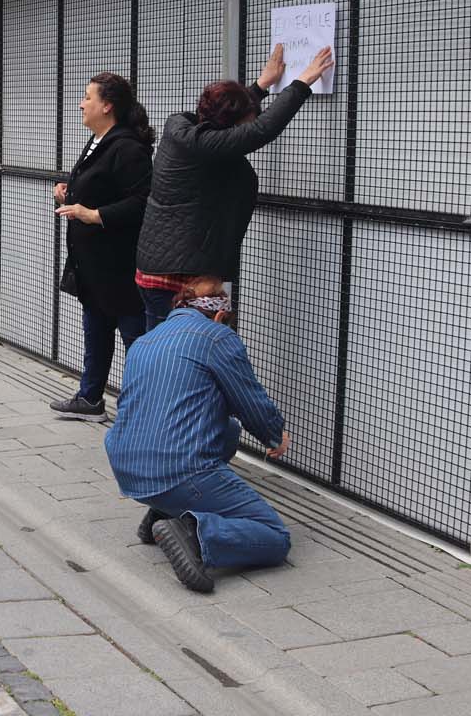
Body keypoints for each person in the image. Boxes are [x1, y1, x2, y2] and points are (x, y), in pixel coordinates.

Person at [104, 277, 291, 593]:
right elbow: (248, 398)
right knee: (274, 534)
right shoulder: (217, 337)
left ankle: (164, 508)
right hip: (179, 468)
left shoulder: (145, 340)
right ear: (220, 315)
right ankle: (192, 530)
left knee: (228, 430)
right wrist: (274, 435)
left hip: (126, 464)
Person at [135, 44, 334, 330]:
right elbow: (258, 131)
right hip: (176, 277)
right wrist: (301, 84)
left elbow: (227, 125)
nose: (251, 120)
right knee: (172, 358)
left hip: (173, 268)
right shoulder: (201, 143)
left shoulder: (187, 129)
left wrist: (261, 85)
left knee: (169, 353)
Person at [49, 72, 155, 421]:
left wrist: (93, 214)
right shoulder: (100, 140)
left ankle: (145, 411)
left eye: (88, 97)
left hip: (119, 268)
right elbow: (101, 184)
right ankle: (90, 397)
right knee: (95, 331)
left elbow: (142, 202)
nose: (81, 104)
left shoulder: (127, 148)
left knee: (135, 341)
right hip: (93, 266)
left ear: (107, 105)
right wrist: (69, 190)